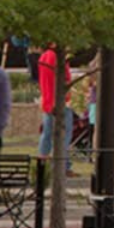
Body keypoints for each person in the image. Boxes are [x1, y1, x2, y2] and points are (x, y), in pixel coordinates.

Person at [36, 43, 72, 173]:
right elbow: (65, 79)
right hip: (60, 102)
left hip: (47, 100)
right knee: (64, 135)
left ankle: (42, 165)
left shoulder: (43, 58)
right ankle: (62, 165)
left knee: (46, 134)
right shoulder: (58, 58)